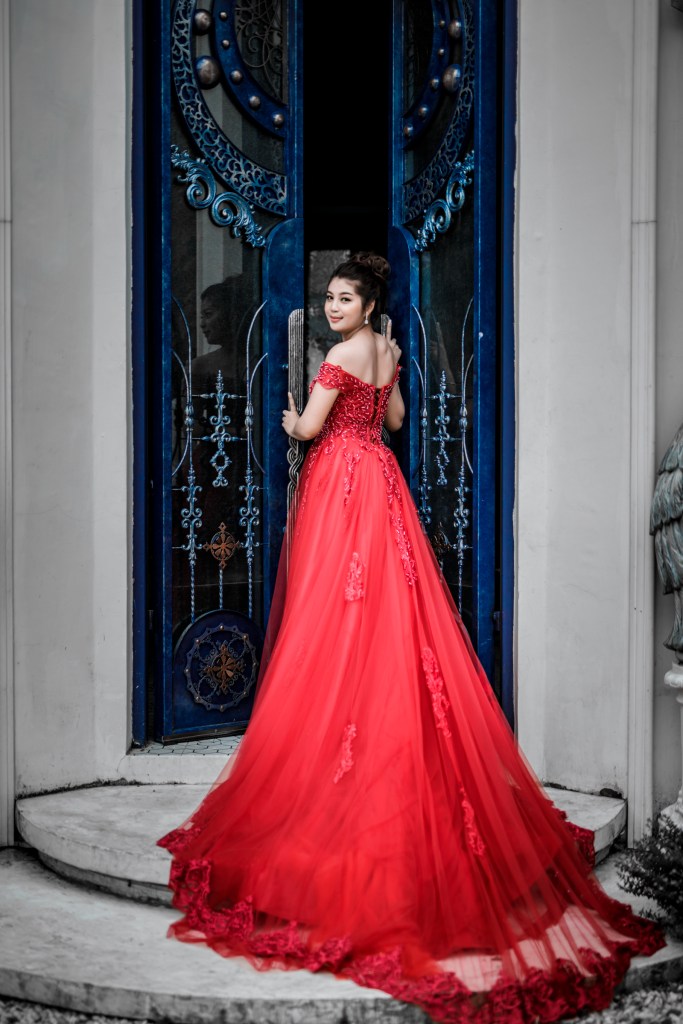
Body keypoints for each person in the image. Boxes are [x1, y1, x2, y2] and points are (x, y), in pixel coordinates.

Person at [157, 253, 663, 1024]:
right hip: (381, 485)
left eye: (343, 297)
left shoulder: (336, 356)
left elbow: (313, 427)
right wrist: (366, 402)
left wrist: (293, 419)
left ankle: (341, 735)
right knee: (390, 612)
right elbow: (393, 423)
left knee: (334, 611)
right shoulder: (389, 350)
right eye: (328, 296)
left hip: (339, 485)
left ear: (365, 304)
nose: (331, 307)